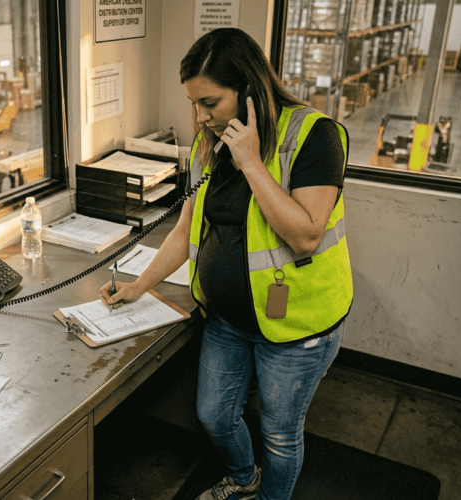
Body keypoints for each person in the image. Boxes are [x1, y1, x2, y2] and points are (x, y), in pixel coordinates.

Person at [99, 28, 353, 500]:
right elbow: (185, 229)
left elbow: (305, 236)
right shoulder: (207, 142)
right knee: (214, 414)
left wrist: (252, 162)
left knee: (279, 433)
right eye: (193, 103)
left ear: (250, 90)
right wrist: (141, 285)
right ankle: (243, 479)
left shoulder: (315, 136)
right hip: (228, 318)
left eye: (210, 103)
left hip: (296, 326)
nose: (199, 116)